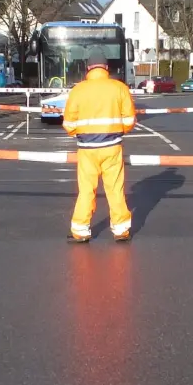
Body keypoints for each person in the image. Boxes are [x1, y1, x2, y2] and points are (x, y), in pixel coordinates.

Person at [62, 50, 138, 242]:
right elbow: (129, 120)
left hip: (87, 149)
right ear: (106, 68)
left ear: (88, 68)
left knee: (87, 190)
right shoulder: (119, 88)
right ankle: (121, 230)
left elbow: (69, 124)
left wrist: (79, 133)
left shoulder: (78, 90)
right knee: (115, 189)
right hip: (112, 147)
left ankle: (80, 230)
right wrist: (118, 131)